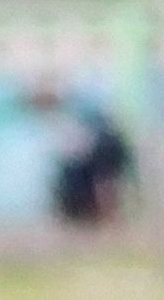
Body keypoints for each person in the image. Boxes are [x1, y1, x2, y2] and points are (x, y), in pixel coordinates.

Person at [27, 79, 136, 229]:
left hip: (102, 146)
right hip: (102, 146)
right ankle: (106, 218)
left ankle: (108, 218)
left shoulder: (70, 110)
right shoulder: (73, 107)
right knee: (102, 182)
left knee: (102, 182)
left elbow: (79, 144)